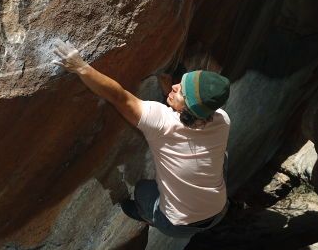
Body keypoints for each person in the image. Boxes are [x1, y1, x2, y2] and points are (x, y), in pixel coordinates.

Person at [52, 40, 231, 237]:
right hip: (219, 209)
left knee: (142, 190)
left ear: (189, 109)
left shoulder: (162, 122)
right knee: (222, 156)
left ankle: (147, 216)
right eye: (181, 82)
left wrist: (80, 67)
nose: (174, 86)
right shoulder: (222, 120)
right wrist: (174, 99)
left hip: (178, 224)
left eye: (180, 92)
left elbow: (120, 98)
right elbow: (187, 117)